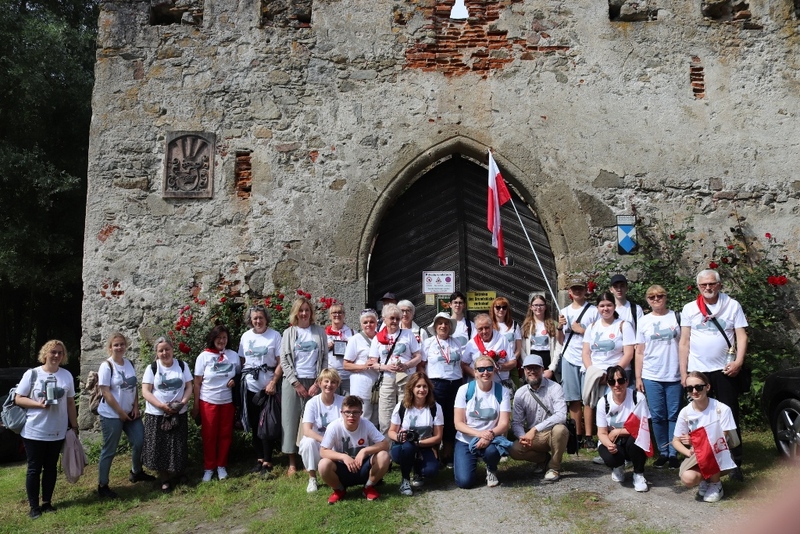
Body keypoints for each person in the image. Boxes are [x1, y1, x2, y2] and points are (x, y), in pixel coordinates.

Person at [678, 268, 747, 480]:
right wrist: (684, 373)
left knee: (729, 414)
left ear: (719, 284)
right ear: (698, 287)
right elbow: (684, 341)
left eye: (712, 284)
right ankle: (701, 456)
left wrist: (738, 362)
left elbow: (742, 336)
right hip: (698, 371)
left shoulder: (732, 305)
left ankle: (735, 461)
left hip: (724, 370)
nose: (708, 288)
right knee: (698, 416)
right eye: (703, 285)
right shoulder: (690, 308)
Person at [15, 340, 78, 519]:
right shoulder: (33, 374)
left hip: (57, 430)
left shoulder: (66, 375)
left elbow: (71, 403)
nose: (56, 355)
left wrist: (74, 426)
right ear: (45, 354)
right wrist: (37, 405)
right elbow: (19, 399)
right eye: (53, 352)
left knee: (50, 468)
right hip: (34, 430)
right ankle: (34, 507)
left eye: (60, 352)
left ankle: (47, 503)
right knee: (34, 469)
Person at [97, 333, 154, 498]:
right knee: (109, 449)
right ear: (110, 348)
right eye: (116, 345)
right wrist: (120, 412)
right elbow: (105, 392)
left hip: (130, 413)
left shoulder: (129, 363)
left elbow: (133, 386)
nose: (119, 347)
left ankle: (136, 471)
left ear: (126, 346)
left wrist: (136, 406)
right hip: (111, 414)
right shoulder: (106, 366)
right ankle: (103, 485)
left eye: (122, 344)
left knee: (140, 440)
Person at [280, 296, 328, 475]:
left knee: (314, 420)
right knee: (291, 420)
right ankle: (292, 461)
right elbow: (284, 360)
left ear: (311, 313)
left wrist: (318, 382)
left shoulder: (319, 332)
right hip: (294, 382)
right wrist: (295, 383)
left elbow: (324, 359)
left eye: (307, 310)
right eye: (301, 310)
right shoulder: (289, 333)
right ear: (296, 313)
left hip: (314, 381)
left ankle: (312, 457)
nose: (304, 313)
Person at [635, 285, 682, 469]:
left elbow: (685, 344)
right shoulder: (644, 321)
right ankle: (663, 451)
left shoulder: (676, 317)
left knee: (674, 415)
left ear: (666, 297)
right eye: (652, 297)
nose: (656, 299)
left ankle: (673, 452)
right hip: (651, 374)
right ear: (647, 300)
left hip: (674, 373)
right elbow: (639, 351)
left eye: (660, 296)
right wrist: (638, 377)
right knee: (657, 415)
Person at [581, 292, 635, 449]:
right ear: (597, 308)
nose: (605, 309)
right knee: (596, 407)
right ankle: (602, 443)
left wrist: (613, 374)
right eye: (602, 306)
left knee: (615, 409)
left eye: (609, 305)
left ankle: (620, 443)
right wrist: (592, 371)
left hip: (617, 374)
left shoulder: (623, 325)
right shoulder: (592, 327)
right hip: (596, 374)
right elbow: (585, 353)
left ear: (614, 306)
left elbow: (629, 352)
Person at [672, 371, 737, 503]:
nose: (694, 391)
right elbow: (675, 441)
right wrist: (688, 451)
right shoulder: (685, 412)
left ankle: (716, 484)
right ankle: (706, 479)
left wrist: (695, 440)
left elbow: (721, 437)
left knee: (710, 450)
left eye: (698, 387)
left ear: (707, 387)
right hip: (697, 454)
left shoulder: (722, 409)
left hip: (720, 452)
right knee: (687, 478)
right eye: (690, 389)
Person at [141, 336, 193, 492]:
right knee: (160, 446)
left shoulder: (182, 366)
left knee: (178, 444)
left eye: (167, 349)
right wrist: (161, 406)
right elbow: (145, 391)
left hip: (178, 412)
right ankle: (164, 478)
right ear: (157, 353)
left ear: (172, 350)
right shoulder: (152, 368)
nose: (164, 353)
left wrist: (182, 403)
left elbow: (189, 387)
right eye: (161, 350)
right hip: (157, 414)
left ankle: (180, 472)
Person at [453, 355, 512, 489]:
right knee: (465, 482)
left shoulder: (502, 391)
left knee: (492, 452)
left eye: (489, 368)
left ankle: (491, 468)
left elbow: (503, 424)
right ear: (475, 372)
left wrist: (489, 435)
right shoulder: (464, 390)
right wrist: (480, 434)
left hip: (490, 438)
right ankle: (472, 461)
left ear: (494, 370)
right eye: (481, 369)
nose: (485, 372)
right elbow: (458, 423)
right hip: (466, 439)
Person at [319, 395, 391, 504]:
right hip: (342, 469)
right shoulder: (334, 427)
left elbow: (385, 444)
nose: (351, 416)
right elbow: (323, 451)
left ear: (361, 413)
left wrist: (364, 451)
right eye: (347, 412)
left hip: (363, 468)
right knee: (323, 464)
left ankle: (369, 487)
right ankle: (339, 490)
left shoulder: (366, 424)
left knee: (384, 456)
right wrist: (343, 457)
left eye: (355, 412)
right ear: (341, 412)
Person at [509, 354, 568, 482]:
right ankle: (544, 460)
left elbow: (562, 415)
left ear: (542, 369)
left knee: (560, 429)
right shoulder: (520, 393)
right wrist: (521, 436)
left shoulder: (555, 388)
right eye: (528, 368)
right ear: (524, 371)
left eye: (535, 368)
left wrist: (535, 429)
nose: (532, 371)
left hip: (552, 432)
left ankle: (554, 467)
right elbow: (516, 422)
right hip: (533, 437)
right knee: (514, 450)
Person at [192, 325, 240, 482]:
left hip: (227, 401)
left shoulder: (233, 355)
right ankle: (209, 467)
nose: (222, 341)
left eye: (224, 338)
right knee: (209, 436)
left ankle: (221, 466)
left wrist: (235, 381)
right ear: (213, 339)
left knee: (225, 435)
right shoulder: (203, 357)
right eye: (219, 338)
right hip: (208, 401)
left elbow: (239, 374)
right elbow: (197, 383)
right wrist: (196, 405)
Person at [238, 304, 283, 475]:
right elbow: (242, 361)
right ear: (251, 320)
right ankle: (259, 458)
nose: (258, 321)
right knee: (254, 421)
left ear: (266, 319)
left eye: (261, 318)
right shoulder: (245, 336)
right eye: (255, 318)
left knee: (266, 423)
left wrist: (273, 382)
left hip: (268, 387)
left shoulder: (274, 335)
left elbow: (280, 362)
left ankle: (268, 460)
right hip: (250, 386)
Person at [557, 277, 598, 449]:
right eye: (574, 289)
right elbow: (560, 340)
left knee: (588, 398)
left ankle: (589, 435)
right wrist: (560, 327)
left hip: (588, 358)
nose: (578, 292)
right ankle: (577, 435)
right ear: (570, 292)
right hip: (569, 357)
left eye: (580, 289)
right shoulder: (564, 311)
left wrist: (582, 330)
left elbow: (598, 334)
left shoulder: (593, 311)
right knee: (573, 399)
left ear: (585, 291)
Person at [422, 312, 468, 466]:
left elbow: (460, 365)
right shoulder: (428, 343)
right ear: (435, 327)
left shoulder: (456, 342)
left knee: (451, 419)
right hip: (436, 384)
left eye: (446, 323)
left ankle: (448, 454)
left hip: (455, 385)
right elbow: (421, 366)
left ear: (450, 326)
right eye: (440, 323)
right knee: (435, 419)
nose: (443, 326)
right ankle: (434, 454)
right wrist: (426, 384)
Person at [596, 365, 650, 492]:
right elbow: (602, 432)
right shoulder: (603, 402)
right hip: (613, 439)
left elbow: (643, 427)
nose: (616, 385)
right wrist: (609, 444)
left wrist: (617, 431)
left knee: (637, 441)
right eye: (612, 382)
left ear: (626, 381)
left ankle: (638, 473)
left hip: (632, 437)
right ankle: (618, 466)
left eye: (620, 381)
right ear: (608, 384)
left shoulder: (638, 398)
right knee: (609, 456)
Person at [388, 372, 443, 495]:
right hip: (403, 446)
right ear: (411, 388)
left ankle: (417, 470)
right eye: (418, 386)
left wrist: (419, 443)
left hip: (424, 445)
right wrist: (398, 437)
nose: (422, 390)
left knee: (431, 471)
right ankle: (405, 480)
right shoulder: (402, 406)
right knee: (408, 447)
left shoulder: (435, 408)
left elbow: (438, 437)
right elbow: (391, 431)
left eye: (425, 386)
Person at [371, 303, 422, 433]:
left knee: (405, 410)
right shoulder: (377, 338)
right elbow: (372, 363)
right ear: (384, 319)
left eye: (397, 319)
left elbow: (418, 357)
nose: (395, 321)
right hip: (387, 379)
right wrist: (386, 367)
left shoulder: (408, 334)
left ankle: (403, 445)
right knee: (385, 415)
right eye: (392, 318)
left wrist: (406, 365)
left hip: (405, 377)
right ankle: (387, 447)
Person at [299, 369, 344, 493]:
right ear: (319, 383)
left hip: (337, 440)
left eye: (333, 382)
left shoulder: (343, 401)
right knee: (308, 442)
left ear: (338, 384)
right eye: (326, 381)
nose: (329, 385)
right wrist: (326, 441)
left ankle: (341, 474)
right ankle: (312, 478)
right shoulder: (312, 403)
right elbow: (307, 430)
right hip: (319, 440)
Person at [343, 309, 380, 425]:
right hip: (361, 386)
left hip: (377, 386)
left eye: (371, 322)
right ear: (361, 324)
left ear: (376, 323)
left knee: (376, 420)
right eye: (365, 322)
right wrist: (364, 366)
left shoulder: (381, 338)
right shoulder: (355, 340)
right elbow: (346, 364)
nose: (368, 325)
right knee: (363, 418)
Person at [463, 313, 514, 386]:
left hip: (499, 383)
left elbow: (513, 362)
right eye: (480, 329)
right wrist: (477, 375)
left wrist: (500, 367)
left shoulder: (502, 339)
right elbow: (464, 364)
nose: (484, 331)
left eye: (487, 328)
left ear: (492, 326)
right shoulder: (472, 343)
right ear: (476, 329)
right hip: (479, 385)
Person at [521, 293, 560, 378]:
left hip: (547, 360)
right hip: (532, 359)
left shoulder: (553, 324)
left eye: (541, 305)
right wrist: (527, 363)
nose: (538, 308)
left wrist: (552, 368)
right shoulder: (526, 326)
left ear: (545, 307)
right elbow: (522, 348)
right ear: (531, 307)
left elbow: (558, 347)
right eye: (535, 305)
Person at [325, 304, 354, 395]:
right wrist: (327, 347)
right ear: (330, 315)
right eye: (334, 313)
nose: (337, 315)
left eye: (340, 312)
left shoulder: (352, 333)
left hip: (348, 376)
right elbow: (318, 353)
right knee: (332, 405)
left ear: (344, 315)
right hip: (331, 377)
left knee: (348, 405)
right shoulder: (324, 334)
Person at [489, 296, 522, 370]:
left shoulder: (514, 325)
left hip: (511, 365)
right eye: (498, 307)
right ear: (493, 309)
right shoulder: (489, 325)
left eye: (504, 307)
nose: (501, 310)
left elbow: (519, 348)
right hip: (493, 365)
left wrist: (511, 361)